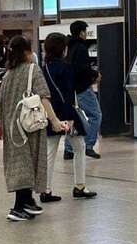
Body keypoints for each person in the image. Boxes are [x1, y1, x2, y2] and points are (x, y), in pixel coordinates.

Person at [0, 35, 67, 221]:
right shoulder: (33, 70)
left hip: (12, 128)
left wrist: (1, 125)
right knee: (30, 162)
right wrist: (54, 120)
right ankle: (19, 206)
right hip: (30, 127)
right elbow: (44, 97)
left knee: (19, 164)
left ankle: (26, 202)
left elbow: (0, 103)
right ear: (27, 52)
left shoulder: (8, 74)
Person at [41, 32, 97, 203]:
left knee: (50, 152)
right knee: (79, 147)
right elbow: (70, 91)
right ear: (62, 49)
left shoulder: (44, 68)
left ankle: (46, 190)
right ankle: (80, 186)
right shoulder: (66, 68)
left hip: (50, 113)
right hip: (67, 113)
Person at [66, 21, 102, 159]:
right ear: (81, 32)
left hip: (70, 89)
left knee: (73, 118)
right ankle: (88, 145)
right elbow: (82, 69)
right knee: (95, 115)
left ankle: (69, 149)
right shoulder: (81, 48)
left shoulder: (68, 47)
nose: (86, 34)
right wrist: (95, 75)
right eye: (85, 32)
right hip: (82, 88)